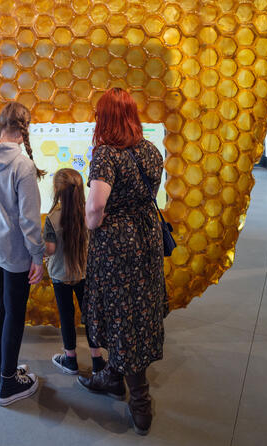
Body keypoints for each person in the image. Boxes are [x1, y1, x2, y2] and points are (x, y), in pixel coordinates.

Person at [77, 88, 168, 436]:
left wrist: (90, 224)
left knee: (121, 313)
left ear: (106, 118)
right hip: (146, 237)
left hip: (117, 245)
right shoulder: (150, 150)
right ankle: (113, 377)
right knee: (137, 308)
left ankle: (140, 404)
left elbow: (96, 207)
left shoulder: (105, 155)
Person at [0, 102, 45, 406]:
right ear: (25, 128)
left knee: (0, 306)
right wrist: (37, 257)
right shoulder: (23, 166)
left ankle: (0, 374)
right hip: (14, 251)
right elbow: (29, 220)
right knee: (14, 313)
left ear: (0, 124)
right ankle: (8, 386)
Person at [43, 168, 106, 375]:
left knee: (66, 317)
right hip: (84, 274)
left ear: (57, 191)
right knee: (90, 316)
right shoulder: (88, 213)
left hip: (60, 276)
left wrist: (38, 248)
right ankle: (97, 361)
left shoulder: (52, 218)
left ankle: (70, 360)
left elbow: (50, 249)